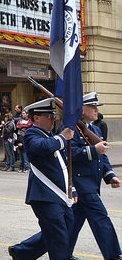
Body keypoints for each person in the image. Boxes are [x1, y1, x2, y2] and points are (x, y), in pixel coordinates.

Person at [8, 98, 76, 260]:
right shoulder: (32, 133)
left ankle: (23, 252)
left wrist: (72, 188)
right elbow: (41, 147)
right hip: (44, 194)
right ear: (36, 118)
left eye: (53, 116)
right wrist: (62, 138)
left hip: (59, 193)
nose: (53, 119)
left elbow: (63, 166)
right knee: (58, 234)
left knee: (62, 229)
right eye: (49, 116)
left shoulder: (50, 135)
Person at [67, 92, 121, 260]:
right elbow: (68, 155)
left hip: (92, 183)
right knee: (101, 219)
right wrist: (92, 150)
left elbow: (102, 156)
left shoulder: (95, 129)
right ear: (82, 110)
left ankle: (25, 250)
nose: (96, 110)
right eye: (92, 107)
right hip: (81, 184)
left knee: (69, 225)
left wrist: (109, 174)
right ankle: (114, 255)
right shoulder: (71, 129)